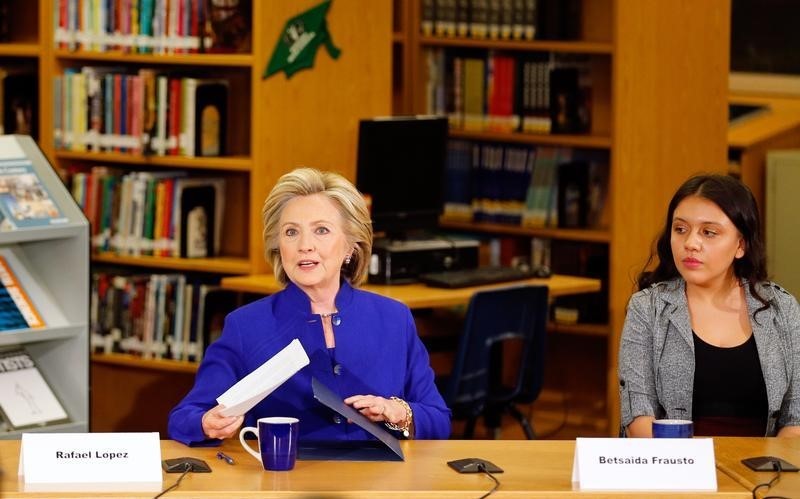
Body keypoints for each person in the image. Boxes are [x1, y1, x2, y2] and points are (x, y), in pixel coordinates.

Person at [168, 167, 451, 445]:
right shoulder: (246, 326)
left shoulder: (394, 318)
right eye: (291, 232)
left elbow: (438, 419)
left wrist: (398, 412)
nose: (305, 245)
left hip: (378, 484)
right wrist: (207, 423)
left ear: (351, 246)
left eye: (322, 230)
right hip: (285, 482)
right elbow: (184, 417)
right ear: (278, 245)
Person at [618, 173, 800, 438]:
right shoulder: (647, 307)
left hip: (761, 474)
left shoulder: (782, 308)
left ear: (740, 245)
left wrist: (768, 471)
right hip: (673, 470)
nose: (690, 243)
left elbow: (795, 419)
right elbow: (638, 420)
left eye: (709, 232)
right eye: (680, 229)